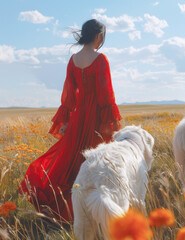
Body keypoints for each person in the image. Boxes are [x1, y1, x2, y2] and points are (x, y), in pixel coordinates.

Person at [20, 19, 121, 222]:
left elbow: (68, 96)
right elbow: (105, 96)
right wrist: (110, 125)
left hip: (77, 117)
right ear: (99, 36)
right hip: (95, 120)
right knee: (94, 163)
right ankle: (88, 212)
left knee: (72, 160)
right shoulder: (101, 60)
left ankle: (64, 210)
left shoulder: (73, 60)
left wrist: (66, 121)